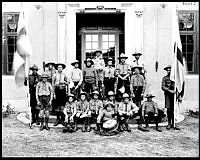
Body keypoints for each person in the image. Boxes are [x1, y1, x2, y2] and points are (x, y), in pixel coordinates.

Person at [161, 65, 180, 130]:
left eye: (170, 70)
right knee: (169, 109)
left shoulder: (176, 78)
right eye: (167, 70)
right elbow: (163, 87)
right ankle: (169, 123)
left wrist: (179, 95)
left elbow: (179, 87)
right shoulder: (165, 78)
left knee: (174, 109)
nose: (169, 71)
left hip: (174, 95)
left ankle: (174, 123)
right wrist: (169, 90)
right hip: (168, 95)